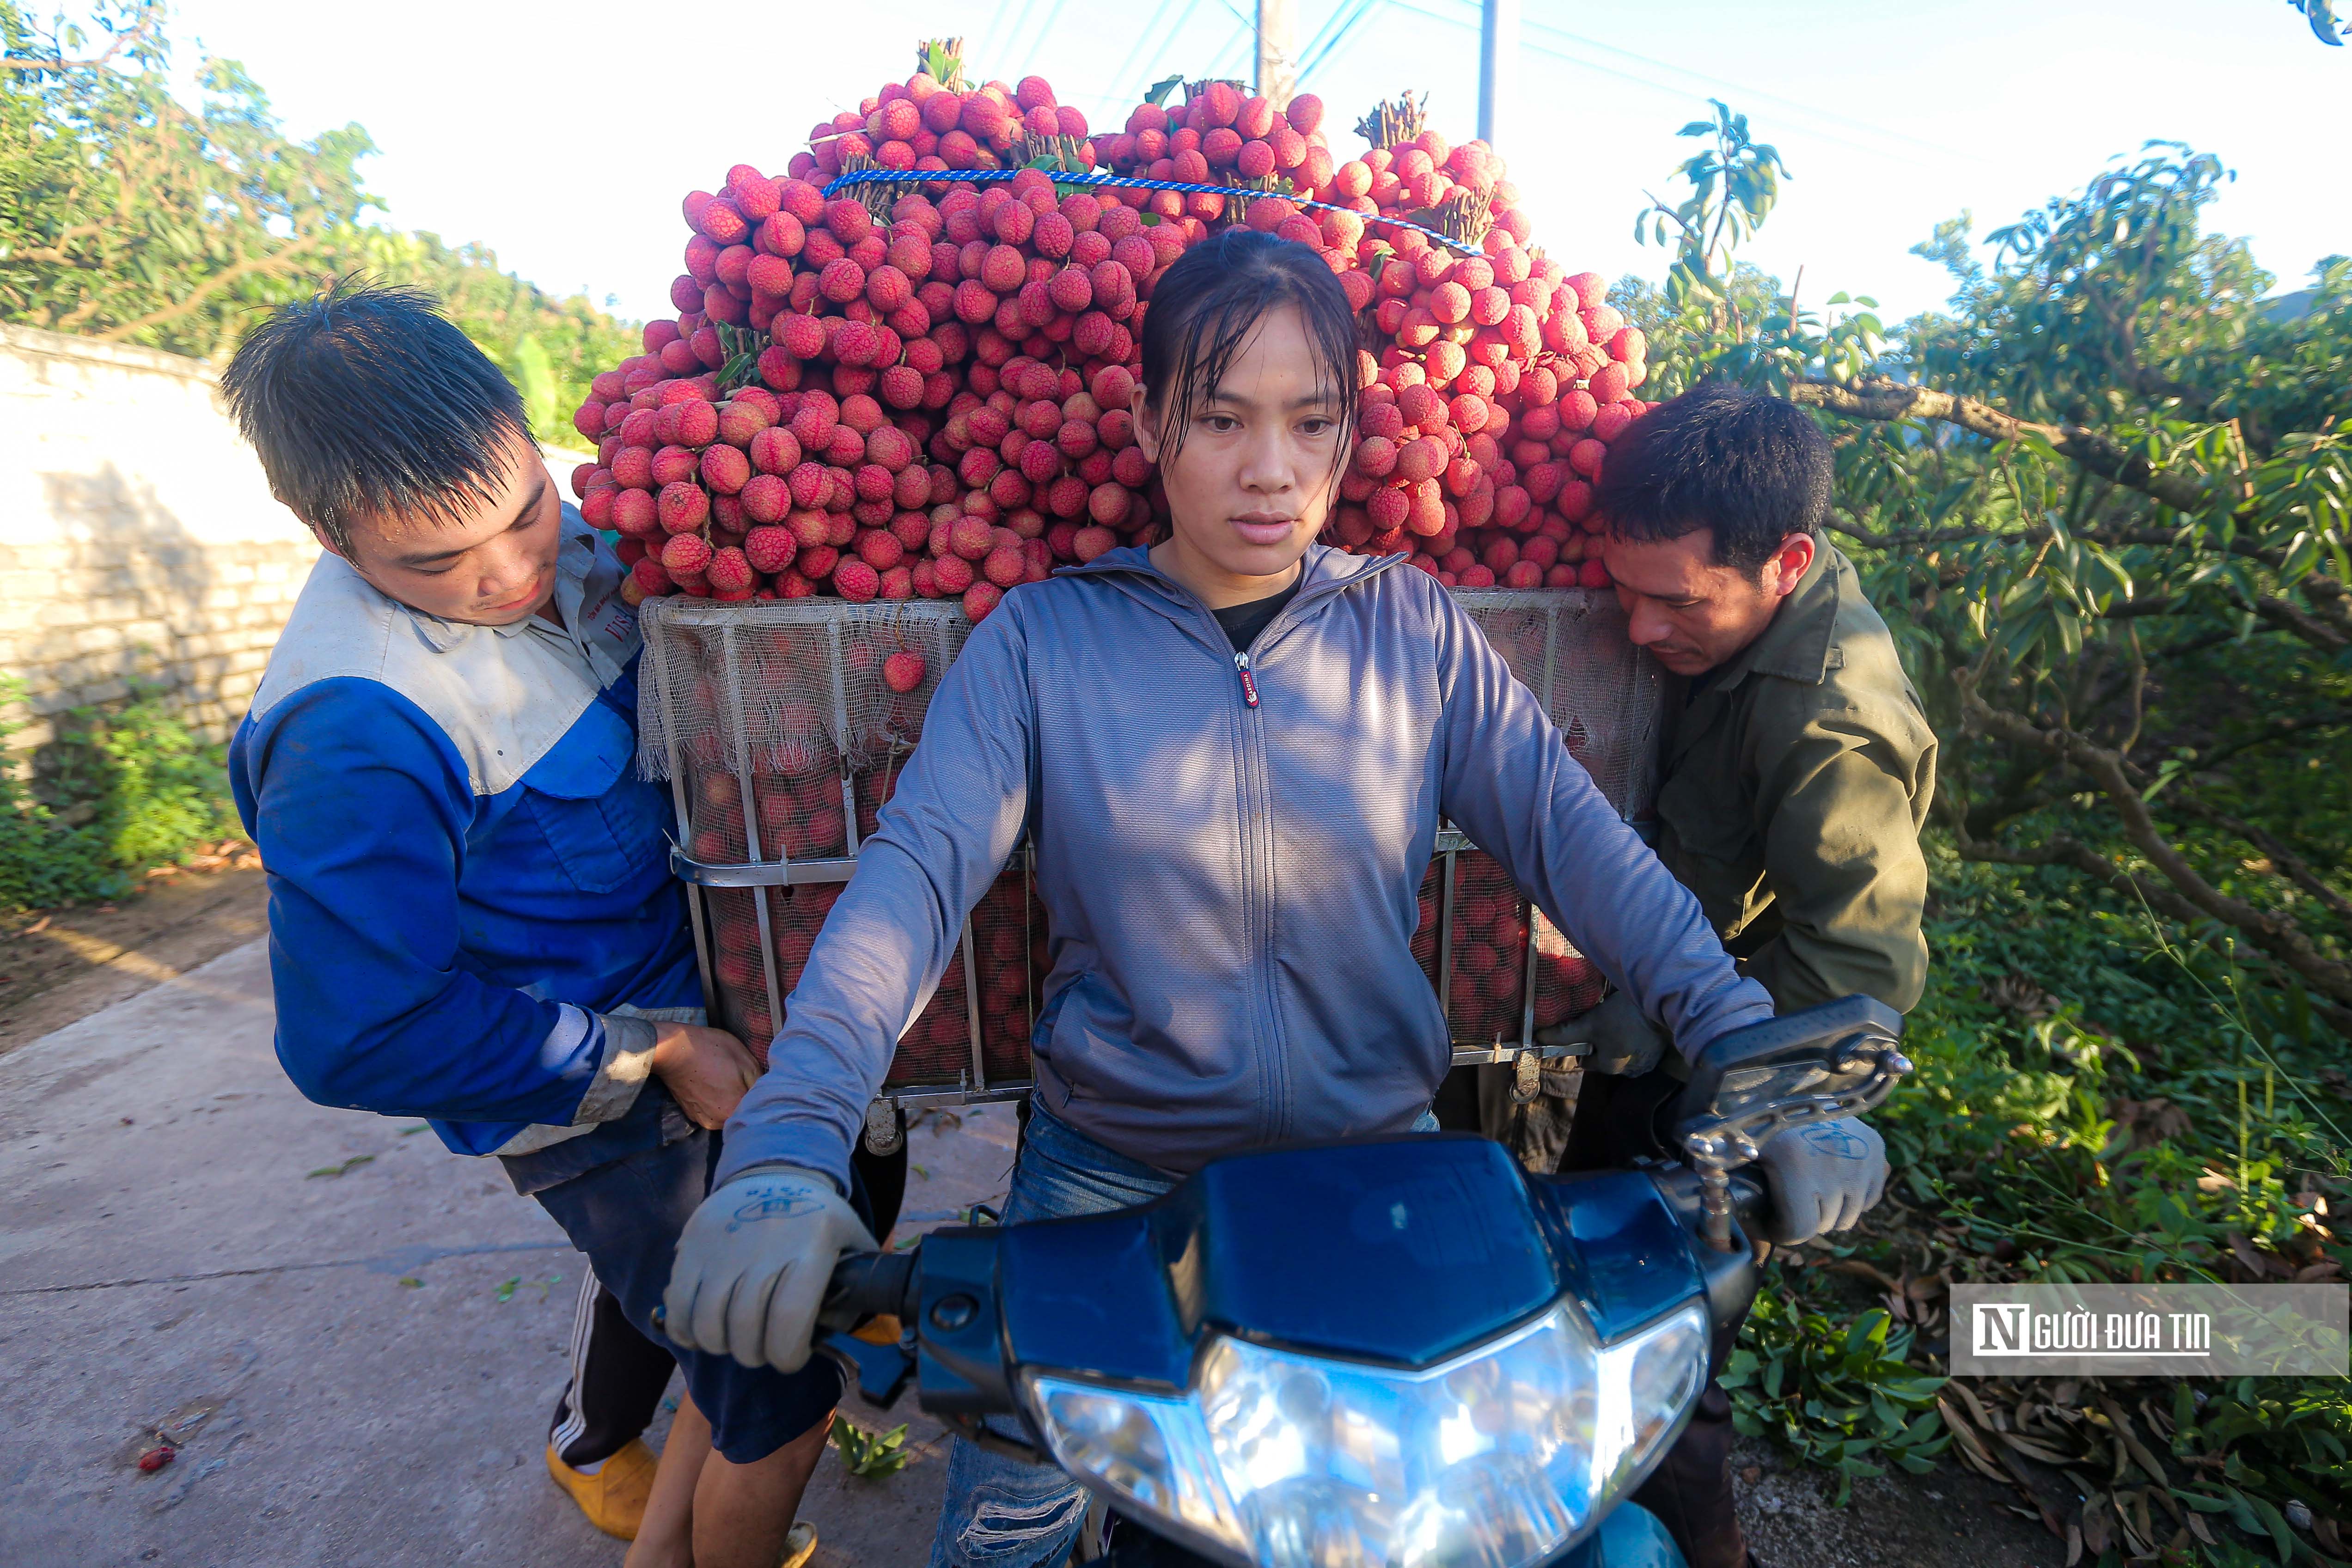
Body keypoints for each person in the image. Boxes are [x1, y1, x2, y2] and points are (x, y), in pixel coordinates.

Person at [655, 231, 1891, 1568]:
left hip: (1378, 1178)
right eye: (1222, 419)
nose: (1272, 469)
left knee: (1456, 1524)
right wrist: (789, 1146)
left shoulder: (1408, 632)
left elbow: (1580, 847)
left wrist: (1756, 1055)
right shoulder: (1044, 641)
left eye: (1311, 423)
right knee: (1004, 1536)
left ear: (1352, 431)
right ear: (1146, 424)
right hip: (1109, 1190)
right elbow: (912, 883)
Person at [222, 283, 834, 1568]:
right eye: (433, 563)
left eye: (521, 515)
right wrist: (649, 1052)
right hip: (596, 1113)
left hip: (715, 1023)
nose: (506, 574)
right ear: (325, 531)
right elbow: (361, 1034)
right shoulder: (356, 727)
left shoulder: (600, 533)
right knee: (776, 1391)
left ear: (519, 432)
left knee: (732, 1359)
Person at [1532, 380, 1937, 1568]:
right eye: (1624, 590)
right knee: (1581, 1306)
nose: (1641, 629)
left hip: (1712, 1088)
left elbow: (1860, 958)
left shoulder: (1827, 714)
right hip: (1654, 1025)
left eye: (1675, 602)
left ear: (1786, 560)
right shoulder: (1731, 621)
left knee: (1665, 1371)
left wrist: (1726, 1096)